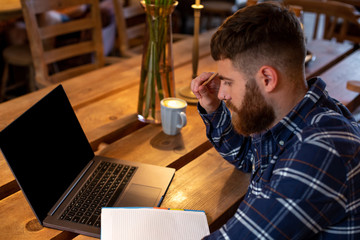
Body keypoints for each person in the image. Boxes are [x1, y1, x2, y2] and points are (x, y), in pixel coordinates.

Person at [191, 3, 360, 239]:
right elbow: (247, 157)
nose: (222, 93)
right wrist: (214, 108)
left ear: (268, 78)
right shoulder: (296, 115)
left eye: (228, 82)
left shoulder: (319, 150)